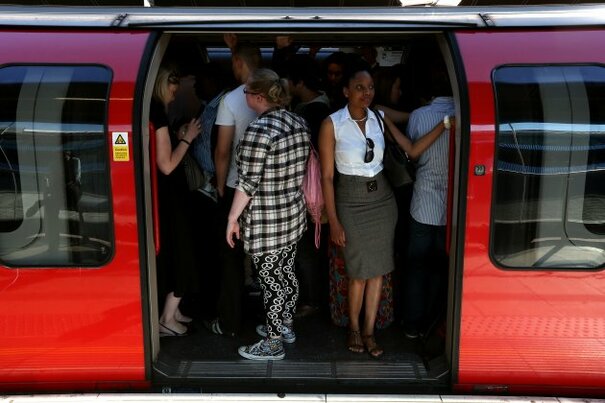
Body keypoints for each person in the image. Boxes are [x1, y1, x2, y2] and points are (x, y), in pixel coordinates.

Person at [319, 61, 446, 358]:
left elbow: (412, 150)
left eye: (371, 87)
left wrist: (444, 124)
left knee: (378, 271)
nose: (367, 93)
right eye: (359, 88)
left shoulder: (379, 116)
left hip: (382, 201)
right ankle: (353, 327)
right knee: (358, 272)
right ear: (345, 91)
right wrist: (333, 221)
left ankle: (369, 331)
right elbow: (326, 177)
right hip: (350, 200)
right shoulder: (332, 124)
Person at [226, 68, 310, 361]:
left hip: (267, 221)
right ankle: (285, 326)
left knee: (270, 281)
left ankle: (273, 343)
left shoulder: (258, 131)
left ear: (259, 96)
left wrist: (232, 218)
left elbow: (247, 184)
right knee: (286, 273)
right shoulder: (298, 122)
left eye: (247, 92)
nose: (245, 96)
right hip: (292, 214)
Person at [205, 38, 262, 337]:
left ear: (238, 63)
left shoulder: (231, 100)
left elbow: (222, 150)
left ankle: (230, 321)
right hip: (271, 190)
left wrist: (220, 186)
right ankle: (273, 321)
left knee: (231, 256)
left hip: (237, 186)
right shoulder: (276, 93)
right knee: (270, 256)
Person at [402, 68, 456, 340]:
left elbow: (410, 155)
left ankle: (412, 324)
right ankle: (433, 323)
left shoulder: (419, 116)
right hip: (453, 208)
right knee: (440, 267)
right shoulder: (464, 113)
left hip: (423, 203)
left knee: (416, 267)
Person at [150, 66, 201, 337]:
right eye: (173, 89)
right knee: (181, 253)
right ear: (164, 85)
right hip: (170, 198)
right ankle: (167, 318)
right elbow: (167, 164)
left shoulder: (153, 110)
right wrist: (188, 139)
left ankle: (173, 310)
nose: (175, 95)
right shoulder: (157, 112)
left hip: (166, 196)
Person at [286, 54, 331, 317]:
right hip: (316, 189)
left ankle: (312, 300)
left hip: (310, 191)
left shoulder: (312, 112)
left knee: (307, 249)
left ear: (299, 82)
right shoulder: (321, 106)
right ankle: (313, 297)